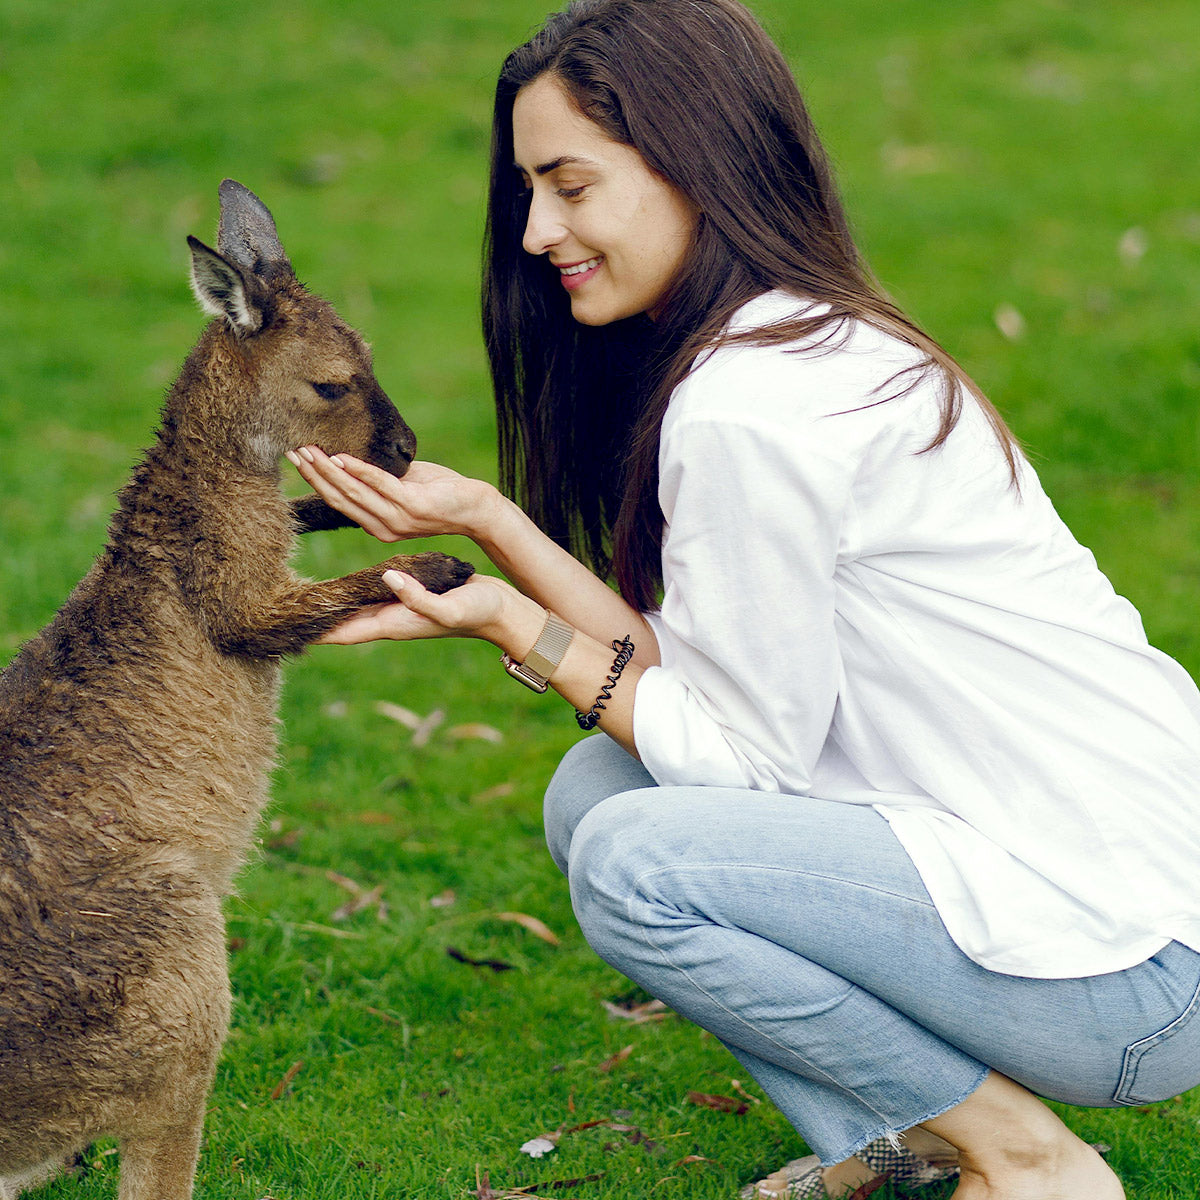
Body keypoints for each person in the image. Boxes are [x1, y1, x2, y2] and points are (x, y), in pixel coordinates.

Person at [286, 1, 1200, 1196]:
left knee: (635, 861)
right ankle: (906, 1147)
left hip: (1133, 967)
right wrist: (491, 524)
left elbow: (742, 766)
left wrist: (513, 621)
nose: (535, 232)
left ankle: (1026, 1159)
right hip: (1120, 894)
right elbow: (708, 692)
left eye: (570, 186)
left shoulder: (747, 409)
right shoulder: (803, 341)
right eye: (527, 192)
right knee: (600, 791)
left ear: (696, 167)